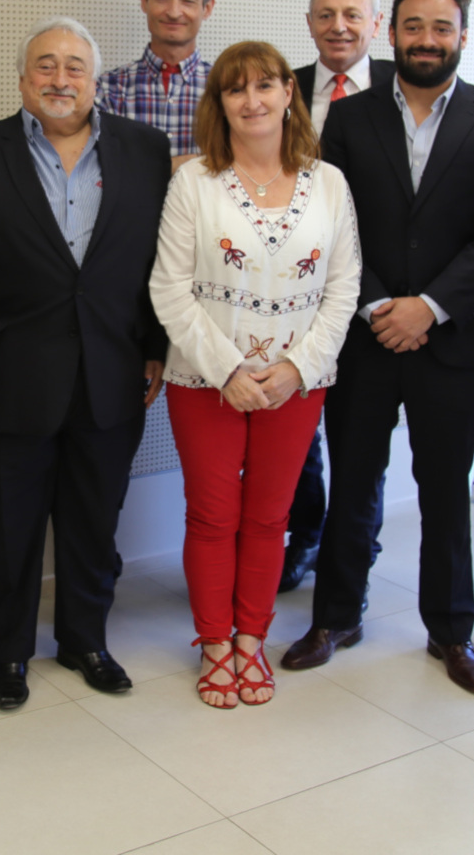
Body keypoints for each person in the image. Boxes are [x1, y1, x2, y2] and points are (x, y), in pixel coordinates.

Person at [0, 17, 172, 711]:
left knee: (95, 523)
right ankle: (9, 653)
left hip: (113, 372)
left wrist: (155, 347)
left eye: (74, 67)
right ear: (23, 78)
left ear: (95, 79)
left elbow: (160, 262)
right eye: (46, 66)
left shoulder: (145, 151)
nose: (60, 79)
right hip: (2, 376)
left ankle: (86, 641)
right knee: (8, 527)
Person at [283, 0, 474, 696]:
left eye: (441, 28)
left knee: (444, 490)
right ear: (391, 33)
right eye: (413, 27)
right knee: (354, 482)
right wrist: (378, 306)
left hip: (453, 341)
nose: (427, 40)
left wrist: (430, 306)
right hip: (363, 337)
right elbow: (330, 224)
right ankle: (335, 618)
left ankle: (451, 630)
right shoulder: (348, 118)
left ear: (462, 37)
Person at [149, 40, 361, 708]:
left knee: (269, 519)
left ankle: (251, 641)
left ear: (288, 93)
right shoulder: (194, 183)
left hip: (295, 385)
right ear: (220, 104)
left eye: (265, 85)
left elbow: (344, 287)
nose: (252, 100)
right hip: (205, 381)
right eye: (235, 89)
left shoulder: (329, 183)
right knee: (213, 516)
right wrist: (227, 370)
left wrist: (297, 368)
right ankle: (215, 643)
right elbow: (168, 288)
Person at [282, 0, 394, 592]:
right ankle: (306, 535)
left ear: (376, 24)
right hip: (292, 293)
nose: (339, 26)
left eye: (353, 15)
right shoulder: (283, 88)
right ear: (309, 24)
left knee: (360, 437)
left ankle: (356, 550)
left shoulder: (403, 90)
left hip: (373, 294)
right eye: (326, 15)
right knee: (297, 437)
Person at [97, 0, 216, 167]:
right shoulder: (107, 90)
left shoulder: (226, 88)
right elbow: (101, 170)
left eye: (188, 1)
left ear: (207, 8)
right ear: (144, 1)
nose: (174, 12)